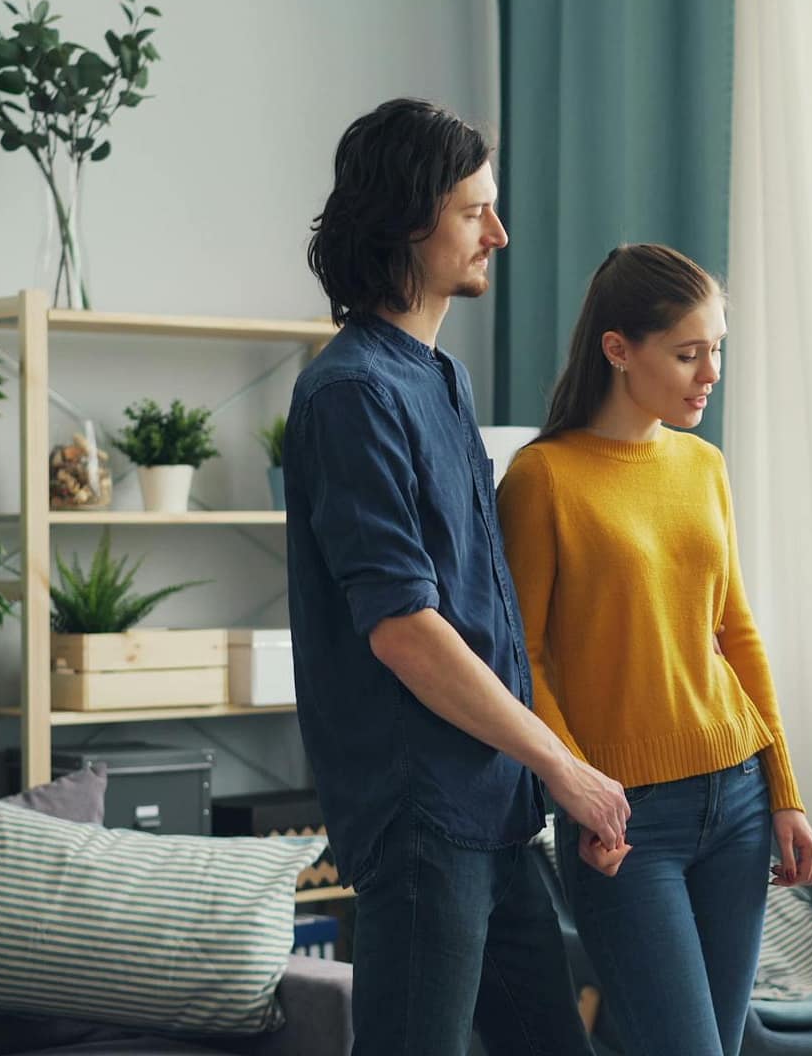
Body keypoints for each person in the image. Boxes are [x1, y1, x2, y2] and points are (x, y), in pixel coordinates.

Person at [287, 97, 627, 1056]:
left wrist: (545, 777)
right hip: (421, 815)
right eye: (476, 210)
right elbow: (404, 629)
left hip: (492, 809)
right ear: (409, 217)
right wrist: (563, 765)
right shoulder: (353, 392)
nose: (500, 232)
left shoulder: (439, 379)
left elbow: (489, 617)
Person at [497, 243, 812, 1056]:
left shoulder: (705, 466)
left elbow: (735, 633)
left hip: (738, 798)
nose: (709, 372)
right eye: (688, 353)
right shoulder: (542, 479)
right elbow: (520, 660)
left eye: (715, 349)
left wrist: (785, 790)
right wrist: (578, 787)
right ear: (618, 349)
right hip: (626, 819)